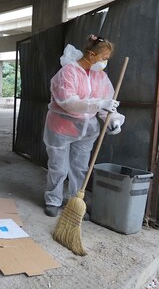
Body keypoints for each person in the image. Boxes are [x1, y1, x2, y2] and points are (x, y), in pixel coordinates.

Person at [43, 35, 125, 217]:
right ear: (91, 54)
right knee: (59, 167)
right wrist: (98, 104)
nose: (105, 62)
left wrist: (113, 120)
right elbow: (68, 102)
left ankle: (75, 202)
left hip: (86, 131)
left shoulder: (101, 77)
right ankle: (53, 200)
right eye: (103, 58)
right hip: (62, 128)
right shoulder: (67, 73)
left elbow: (107, 105)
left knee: (80, 169)